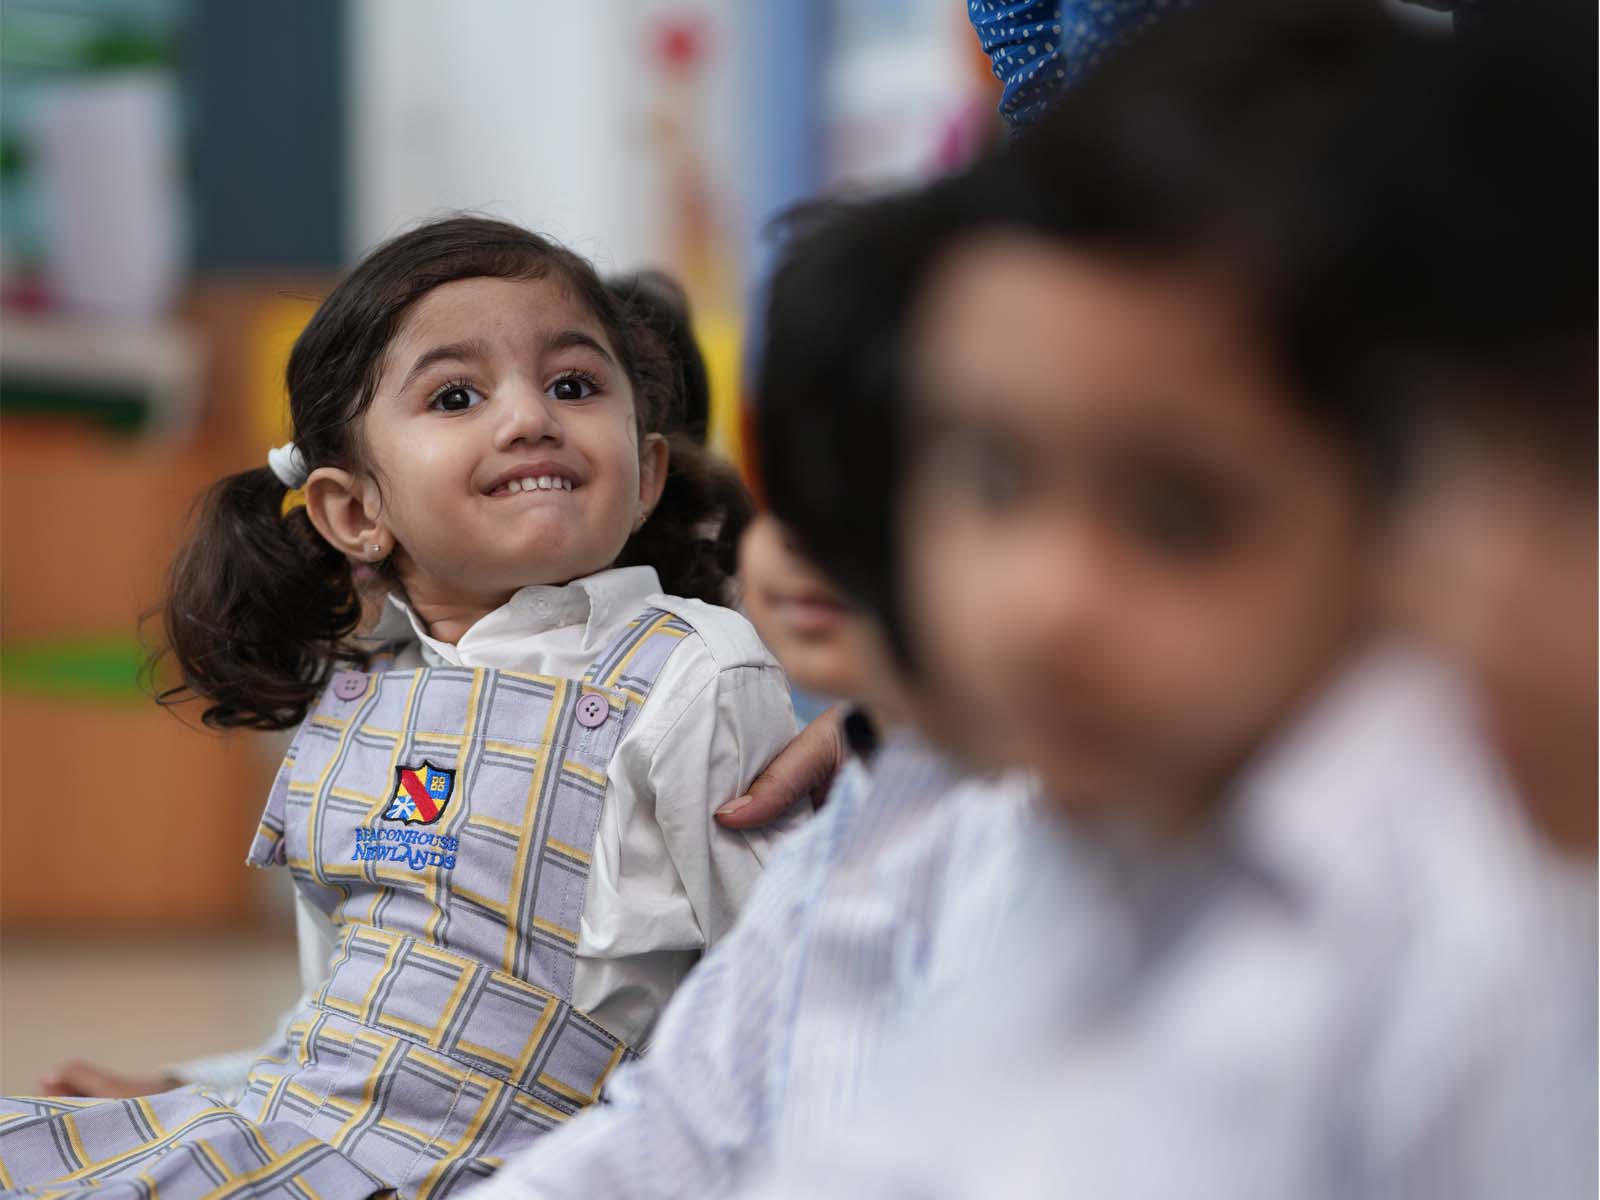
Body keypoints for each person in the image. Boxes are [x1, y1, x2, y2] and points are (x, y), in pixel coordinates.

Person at [742, 2, 1590, 1195]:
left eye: (1179, 517)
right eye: (988, 475)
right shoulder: (1082, 838)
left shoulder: (1463, 937)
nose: (1046, 604)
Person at [1, 216, 807, 1199]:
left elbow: (788, 991)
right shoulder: (362, 690)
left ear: (645, 474)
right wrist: (191, 1090)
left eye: (572, 385)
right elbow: (357, 1023)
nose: (531, 417)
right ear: (355, 512)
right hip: (309, 1134)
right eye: (457, 395)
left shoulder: (693, 671)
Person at [454, 188, 1036, 1200]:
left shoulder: (1035, 850)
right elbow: (683, 1117)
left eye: (904, 484)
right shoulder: (857, 823)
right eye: (798, 483)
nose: (808, 536)